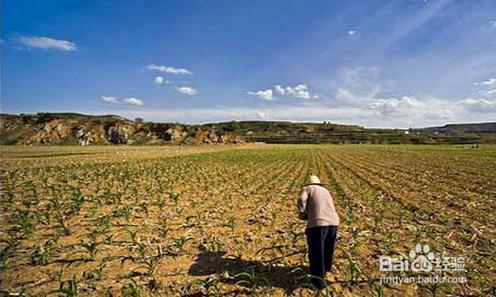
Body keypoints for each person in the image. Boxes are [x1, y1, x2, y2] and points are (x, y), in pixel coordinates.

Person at [297, 175, 339, 289]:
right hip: (334, 223)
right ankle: (325, 270)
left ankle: (318, 282)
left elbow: (301, 199)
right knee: (327, 248)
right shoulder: (326, 190)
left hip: (318, 225)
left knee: (316, 252)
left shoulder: (308, 189)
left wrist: (302, 213)